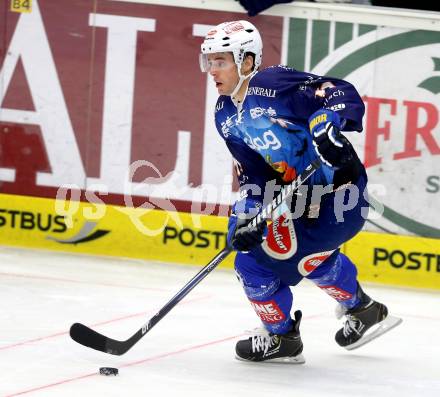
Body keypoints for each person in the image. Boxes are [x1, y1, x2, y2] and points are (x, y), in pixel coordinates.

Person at [199, 20, 402, 363]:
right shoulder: (224, 115)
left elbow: (336, 90)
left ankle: (282, 338)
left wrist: (328, 127)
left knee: (253, 266)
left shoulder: (271, 83)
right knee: (274, 245)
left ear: (247, 61)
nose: (212, 70)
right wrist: (251, 215)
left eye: (221, 61)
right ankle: (362, 309)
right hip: (299, 202)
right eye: (209, 61)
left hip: (340, 197)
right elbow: (255, 176)